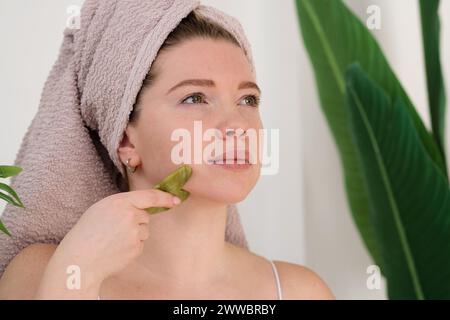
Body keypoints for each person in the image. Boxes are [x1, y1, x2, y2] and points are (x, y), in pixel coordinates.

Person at [0, 9, 334, 300]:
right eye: (195, 98)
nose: (236, 125)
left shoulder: (300, 293)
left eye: (248, 100)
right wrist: (79, 274)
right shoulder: (42, 274)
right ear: (126, 142)